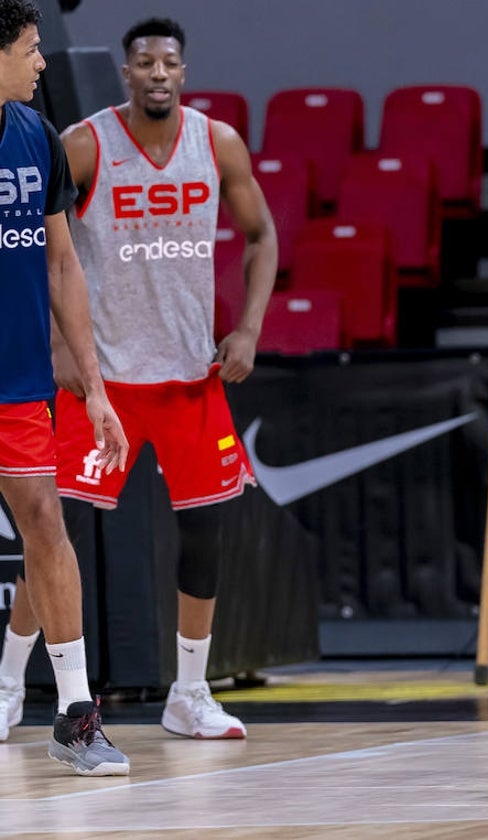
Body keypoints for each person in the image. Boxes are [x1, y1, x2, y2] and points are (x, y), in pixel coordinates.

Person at [0, 16, 277, 740]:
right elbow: (47, 250)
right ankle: (6, 683)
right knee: (49, 531)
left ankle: (189, 693)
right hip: (110, 378)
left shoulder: (216, 143)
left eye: (169, 62)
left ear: (184, 71)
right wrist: (66, 349)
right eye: (144, 62)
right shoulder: (84, 144)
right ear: (126, 72)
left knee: (205, 535)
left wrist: (247, 327)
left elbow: (262, 234)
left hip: (190, 373)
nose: (157, 72)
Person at [0, 0, 131, 775]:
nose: (42, 61)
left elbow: (61, 266)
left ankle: (75, 716)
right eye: (29, 48)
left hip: (19, 385)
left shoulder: (37, 136)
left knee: (46, 524)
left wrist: (94, 384)